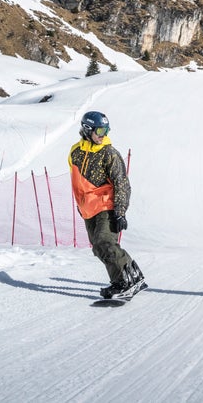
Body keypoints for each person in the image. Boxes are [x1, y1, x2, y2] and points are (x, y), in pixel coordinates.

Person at [69, 110, 145, 299]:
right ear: (87, 130)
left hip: (106, 206)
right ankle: (132, 274)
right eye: (100, 131)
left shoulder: (109, 153)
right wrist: (81, 206)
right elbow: (77, 182)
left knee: (105, 242)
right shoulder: (75, 152)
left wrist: (120, 212)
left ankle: (122, 282)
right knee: (98, 248)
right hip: (88, 209)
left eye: (106, 131)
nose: (103, 136)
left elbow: (122, 183)